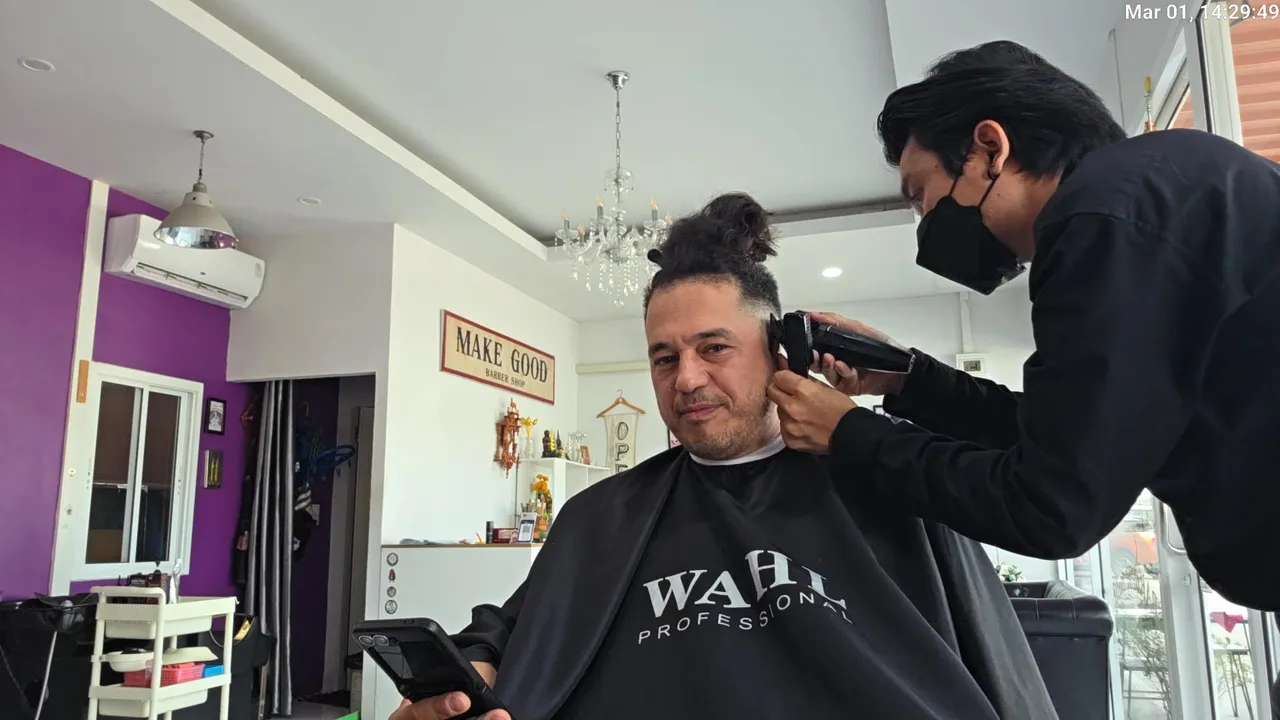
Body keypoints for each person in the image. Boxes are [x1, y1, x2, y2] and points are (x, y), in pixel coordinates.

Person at [392, 193, 1058, 720]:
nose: (686, 379)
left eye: (713, 348)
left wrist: (905, 381)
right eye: (664, 358)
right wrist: (475, 666)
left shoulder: (888, 479)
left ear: (780, 352)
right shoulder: (601, 515)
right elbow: (513, 628)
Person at [768, 42, 1280, 617]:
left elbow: (1050, 506)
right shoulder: (1159, 189)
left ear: (989, 148)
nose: (924, 222)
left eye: (921, 196)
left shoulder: (1105, 220)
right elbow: (1065, 439)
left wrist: (848, 434)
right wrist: (907, 379)